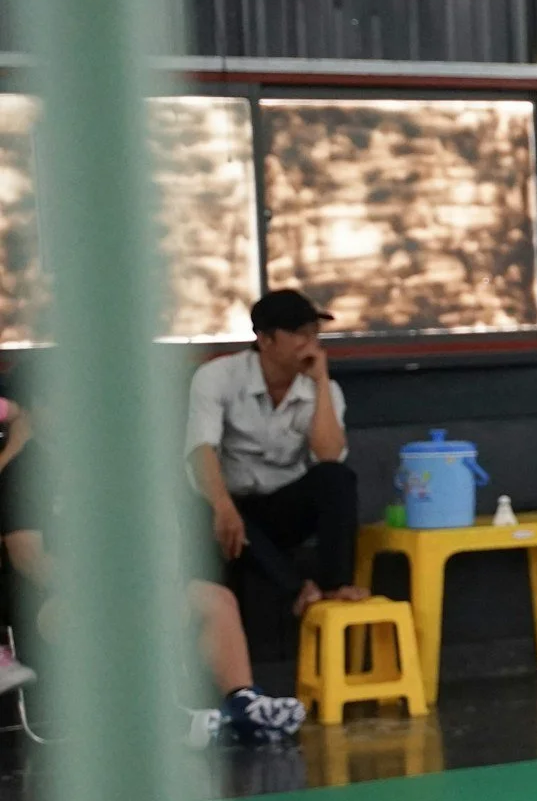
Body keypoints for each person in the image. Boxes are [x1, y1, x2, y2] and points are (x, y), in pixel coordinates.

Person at [0, 403, 302, 740]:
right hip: (50, 602)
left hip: (122, 585)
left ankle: (244, 705)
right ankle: (157, 716)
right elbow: (29, 559)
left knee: (216, 600)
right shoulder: (22, 473)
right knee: (123, 609)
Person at [187, 290, 365, 620]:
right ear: (265, 339)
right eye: (299, 334)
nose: (310, 343)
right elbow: (202, 449)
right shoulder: (217, 378)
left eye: (314, 334)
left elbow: (329, 455)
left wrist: (322, 381)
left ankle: (336, 585)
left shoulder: (320, 388)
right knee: (198, 508)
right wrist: (223, 506)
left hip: (283, 507)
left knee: (337, 478)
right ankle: (298, 591)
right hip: (229, 507)